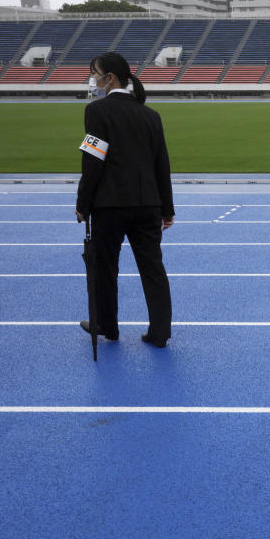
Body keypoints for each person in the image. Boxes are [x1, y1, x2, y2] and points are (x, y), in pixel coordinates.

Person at [75, 52, 174, 348]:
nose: (93, 78)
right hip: (147, 204)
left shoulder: (97, 111)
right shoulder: (150, 115)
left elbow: (93, 160)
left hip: (110, 204)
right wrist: (167, 209)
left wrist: (83, 203)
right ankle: (160, 332)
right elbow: (162, 165)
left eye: (96, 73)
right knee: (153, 269)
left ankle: (107, 325)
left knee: (105, 268)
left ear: (111, 78)